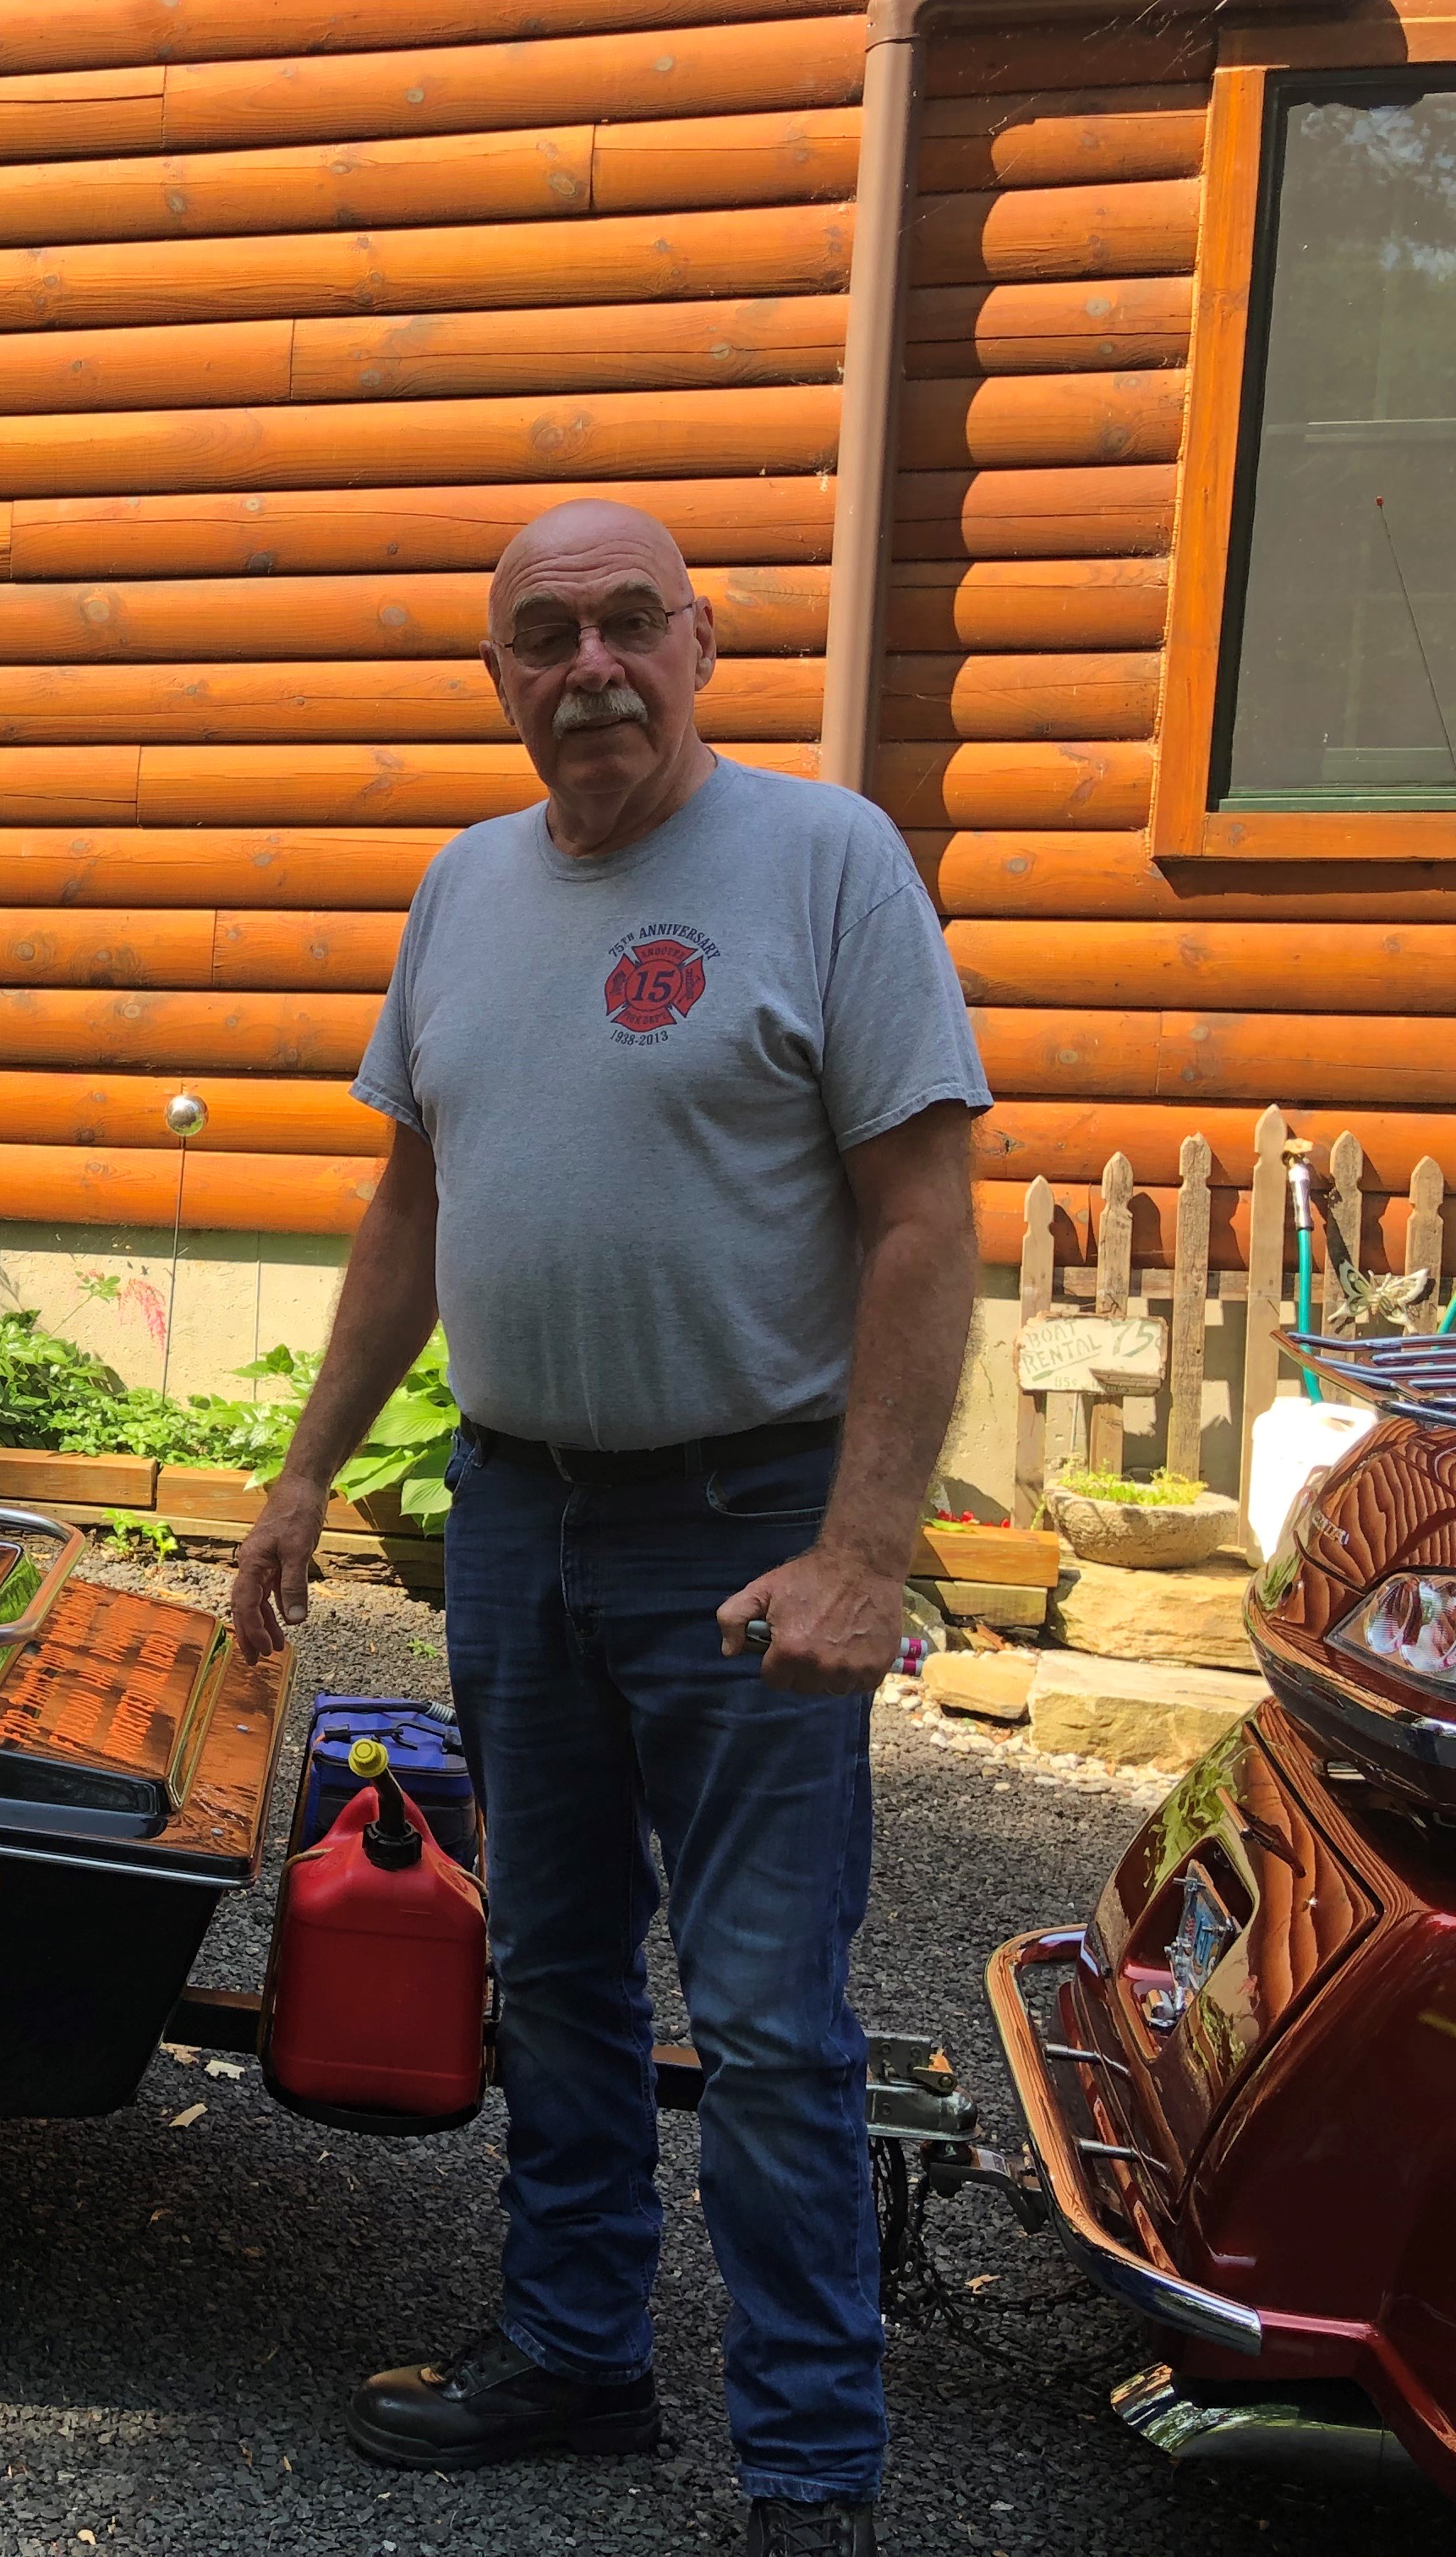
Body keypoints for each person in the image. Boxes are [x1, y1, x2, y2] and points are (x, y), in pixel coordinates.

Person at [228, 500, 987, 2557]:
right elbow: (415, 1206)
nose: (589, 670)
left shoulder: (824, 864)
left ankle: (813, 2472)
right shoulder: (465, 890)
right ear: (499, 675)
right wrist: (306, 1467)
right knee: (553, 1972)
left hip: (744, 1525)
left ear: (702, 641)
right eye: (542, 637)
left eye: (627, 625)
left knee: (762, 2019)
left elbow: (927, 1219)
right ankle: (577, 2353)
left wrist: (869, 1548)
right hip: (514, 1517)